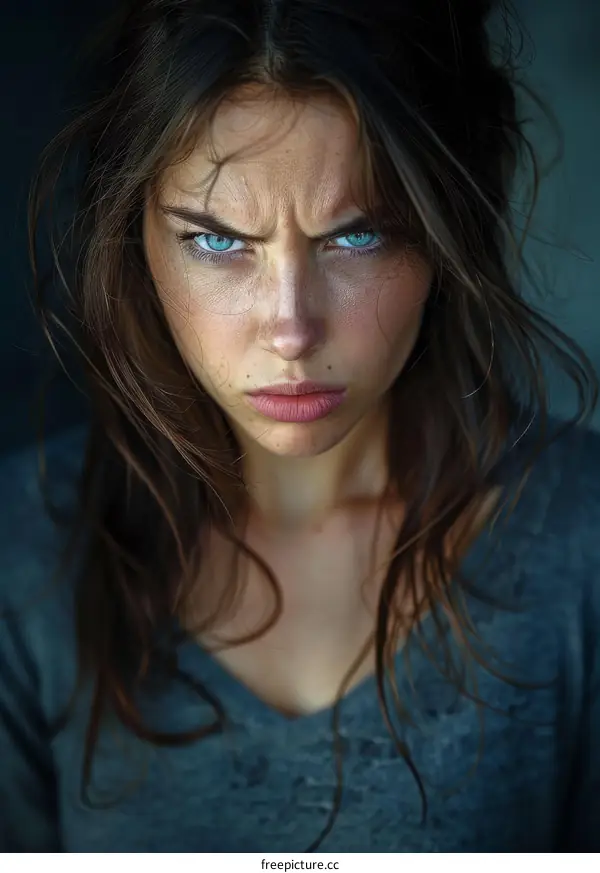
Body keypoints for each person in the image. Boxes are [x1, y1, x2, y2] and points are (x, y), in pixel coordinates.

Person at [1, 0, 599, 853]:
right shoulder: (24, 559)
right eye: (216, 241)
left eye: (356, 237)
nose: (290, 329)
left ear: (443, 234)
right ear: (135, 236)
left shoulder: (582, 544)